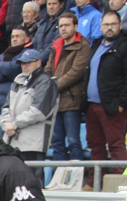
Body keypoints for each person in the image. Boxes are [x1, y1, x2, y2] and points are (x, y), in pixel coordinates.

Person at [83, 11, 127, 189]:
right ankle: (95, 182)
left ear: (120, 25)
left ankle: (118, 183)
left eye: (113, 24)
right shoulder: (96, 46)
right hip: (92, 105)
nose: (109, 28)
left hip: (112, 106)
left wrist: (122, 103)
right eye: (106, 24)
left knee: (115, 144)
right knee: (95, 146)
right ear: (100, 27)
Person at [0, 47, 58, 167]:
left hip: (33, 144)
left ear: (38, 63)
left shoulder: (46, 82)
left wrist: (14, 125)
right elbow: (5, 109)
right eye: (22, 63)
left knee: (32, 181)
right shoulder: (16, 83)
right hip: (13, 141)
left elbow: (39, 111)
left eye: (28, 63)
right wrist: (6, 125)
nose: (24, 66)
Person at [44, 12, 88, 160]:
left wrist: (53, 85)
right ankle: (59, 178)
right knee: (57, 143)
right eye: (61, 25)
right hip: (55, 101)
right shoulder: (56, 44)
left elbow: (77, 71)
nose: (63, 29)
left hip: (71, 101)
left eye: (67, 25)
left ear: (75, 26)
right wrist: (47, 83)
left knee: (74, 141)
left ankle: (76, 176)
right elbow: (48, 69)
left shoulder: (83, 44)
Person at [0, 27, 32, 113]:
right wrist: (6, 75)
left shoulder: (28, 53)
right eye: (12, 37)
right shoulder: (7, 52)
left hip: (14, 104)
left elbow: (14, 68)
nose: (14, 39)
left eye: (17, 36)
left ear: (26, 39)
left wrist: (0, 66)